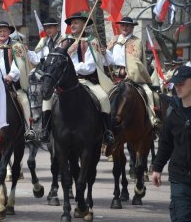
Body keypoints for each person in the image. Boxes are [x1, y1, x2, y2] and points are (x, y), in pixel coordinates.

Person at [58, 11, 114, 145]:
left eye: (76, 22)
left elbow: (90, 66)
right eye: (71, 23)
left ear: (84, 24)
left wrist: (71, 68)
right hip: (65, 82)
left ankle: (107, 131)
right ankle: (45, 130)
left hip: (87, 81)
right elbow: (56, 60)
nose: (73, 25)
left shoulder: (92, 41)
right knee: (48, 99)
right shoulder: (63, 41)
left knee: (104, 98)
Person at [152, 65, 191, 222]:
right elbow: (166, 142)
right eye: (176, 83)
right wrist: (157, 168)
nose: (178, 87)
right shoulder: (173, 111)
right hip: (179, 177)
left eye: (182, 83)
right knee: (181, 219)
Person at [106, 16, 158, 127]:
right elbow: (108, 59)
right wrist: (104, 52)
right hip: (113, 77)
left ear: (132, 27)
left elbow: (135, 61)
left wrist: (130, 74)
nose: (125, 27)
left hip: (131, 77)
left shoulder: (136, 41)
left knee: (149, 93)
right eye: (123, 25)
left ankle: (152, 120)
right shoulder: (114, 40)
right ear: (120, 27)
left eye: (128, 25)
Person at [0, 21, 33, 139]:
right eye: (0, 31)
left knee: (25, 102)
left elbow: (19, 65)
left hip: (11, 85)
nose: (2, 33)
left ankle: (29, 129)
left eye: (5, 31)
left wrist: (11, 76)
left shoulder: (17, 46)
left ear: (9, 33)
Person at [27, 17, 60, 142]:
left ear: (57, 28)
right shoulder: (45, 42)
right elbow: (37, 59)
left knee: (103, 98)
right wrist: (27, 51)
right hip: (48, 80)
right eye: (46, 27)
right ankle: (42, 129)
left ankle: (106, 130)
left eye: (51, 27)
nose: (48, 30)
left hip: (59, 78)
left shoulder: (63, 42)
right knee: (41, 97)